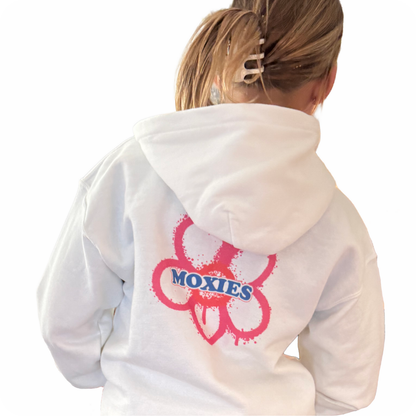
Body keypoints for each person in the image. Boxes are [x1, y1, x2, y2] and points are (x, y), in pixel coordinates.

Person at [36, 0, 385, 415]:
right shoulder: (338, 224)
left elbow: (64, 325)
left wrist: (133, 385)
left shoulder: (131, 174)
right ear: (326, 82)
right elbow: (348, 385)